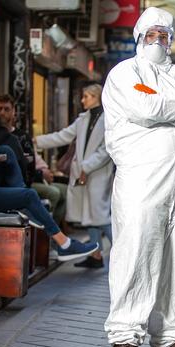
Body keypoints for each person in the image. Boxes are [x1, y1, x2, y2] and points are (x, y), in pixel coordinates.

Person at [101, 7, 175, 347]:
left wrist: (166, 108)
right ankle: (125, 335)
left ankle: (170, 335)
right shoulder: (123, 73)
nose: (158, 40)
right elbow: (146, 108)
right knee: (136, 254)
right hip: (141, 178)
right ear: (139, 36)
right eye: (152, 34)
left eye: (165, 35)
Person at [35, 84, 114, 269]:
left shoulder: (110, 120)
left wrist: (86, 167)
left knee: (100, 217)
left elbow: (105, 151)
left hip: (97, 174)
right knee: (91, 217)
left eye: (87, 96)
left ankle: (126, 255)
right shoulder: (82, 119)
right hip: (83, 174)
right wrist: (38, 141)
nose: (82, 100)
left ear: (97, 97)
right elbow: (62, 136)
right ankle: (95, 255)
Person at [0, 94, 68, 225]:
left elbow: (29, 168)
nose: (2, 113)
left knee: (63, 191)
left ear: (13, 112)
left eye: (6, 109)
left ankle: (49, 232)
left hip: (22, 182)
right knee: (54, 193)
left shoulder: (22, 136)